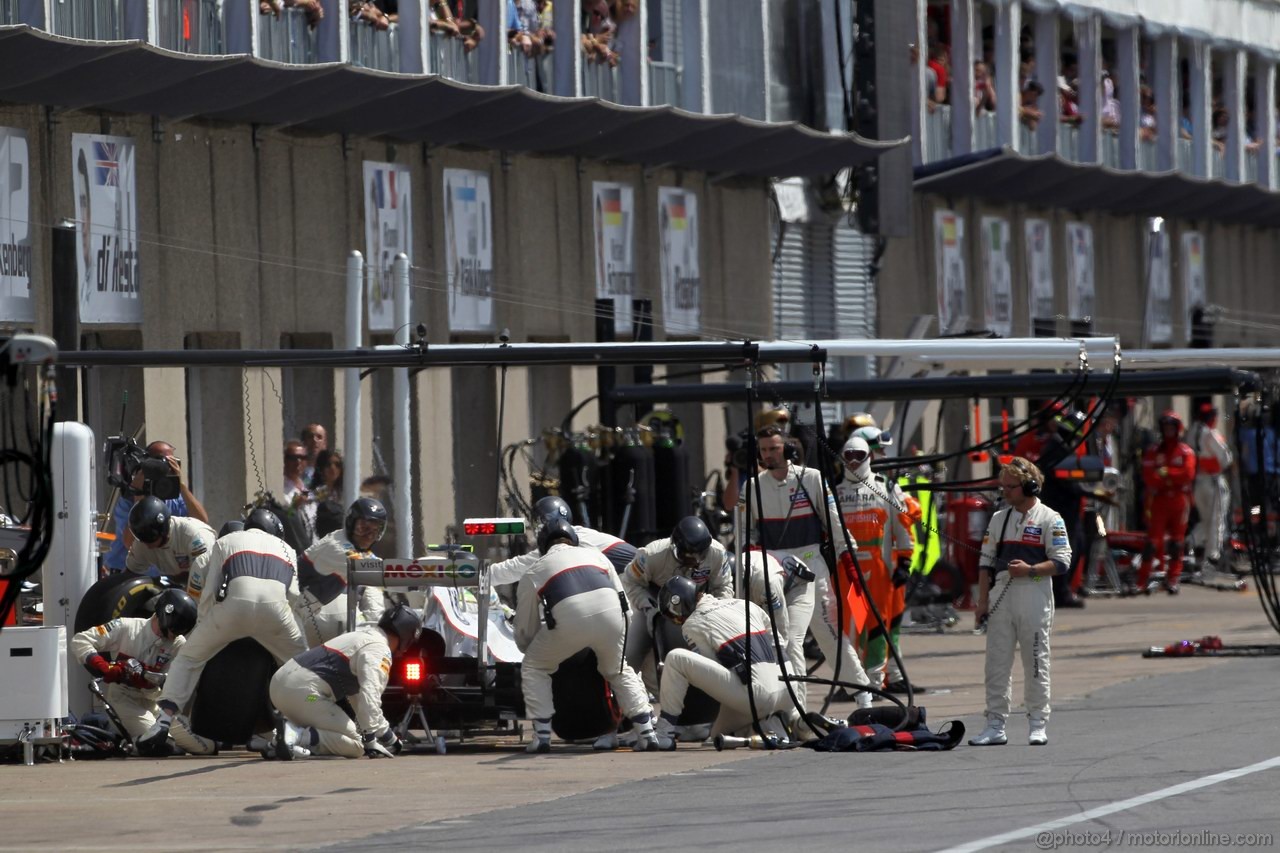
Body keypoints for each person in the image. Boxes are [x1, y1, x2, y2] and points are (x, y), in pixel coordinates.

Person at [136, 513, 306, 754]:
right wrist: (289, 636)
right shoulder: (287, 548)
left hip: (233, 609)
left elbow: (209, 593)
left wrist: (206, 632)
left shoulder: (225, 542)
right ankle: (297, 730)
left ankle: (163, 721)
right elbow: (294, 597)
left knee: (188, 659)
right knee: (303, 668)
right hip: (277, 611)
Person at [739, 424, 870, 712]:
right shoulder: (752, 487)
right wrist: (750, 552)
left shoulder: (811, 479)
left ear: (786, 448)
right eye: (763, 450)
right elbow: (744, 532)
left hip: (812, 565)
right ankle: (795, 706)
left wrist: (846, 556)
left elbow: (834, 519)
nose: (769, 454)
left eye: (774, 448)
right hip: (773, 568)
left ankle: (863, 695)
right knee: (786, 638)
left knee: (831, 634)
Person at [515, 519, 658, 753]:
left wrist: (529, 648)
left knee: (534, 666)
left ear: (543, 545)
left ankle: (541, 737)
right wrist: (620, 638)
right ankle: (646, 732)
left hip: (571, 621)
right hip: (614, 617)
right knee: (618, 670)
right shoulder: (597, 556)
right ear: (573, 539)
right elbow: (623, 600)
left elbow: (525, 628)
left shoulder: (534, 570)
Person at [970, 457, 1071, 747]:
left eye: (1011, 487)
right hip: (1002, 593)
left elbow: (1063, 562)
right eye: (1002, 486)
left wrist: (1030, 570)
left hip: (1034, 592)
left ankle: (1038, 721)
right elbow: (985, 563)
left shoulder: (1051, 518)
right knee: (996, 663)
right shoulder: (999, 519)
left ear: (1029, 486)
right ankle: (995, 725)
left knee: (1036, 660)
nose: (1005, 492)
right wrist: (981, 602)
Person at [651, 576, 791, 749]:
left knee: (675, 659)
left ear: (680, 604)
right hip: (788, 691)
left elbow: (716, 668)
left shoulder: (692, 624)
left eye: (675, 617)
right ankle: (777, 722)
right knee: (717, 736)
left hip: (757, 696)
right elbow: (778, 643)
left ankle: (664, 733)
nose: (678, 622)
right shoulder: (744, 604)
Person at [266, 603, 421, 760]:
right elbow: (370, 697)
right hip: (306, 695)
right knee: (356, 745)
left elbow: (361, 703)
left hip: (285, 689)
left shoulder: (361, 637)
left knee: (335, 720)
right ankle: (296, 736)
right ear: (406, 637)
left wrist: (390, 738)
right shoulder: (379, 649)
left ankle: (280, 741)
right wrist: (369, 738)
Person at [70, 589, 215, 755]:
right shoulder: (126, 627)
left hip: (155, 704)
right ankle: (119, 739)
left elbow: (171, 684)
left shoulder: (178, 644)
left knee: (206, 747)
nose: (174, 636)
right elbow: (81, 640)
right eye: (174, 631)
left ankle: (120, 736)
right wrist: (103, 666)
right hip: (123, 699)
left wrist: (147, 679)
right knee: (162, 744)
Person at [836, 436, 916, 700]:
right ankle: (853, 683)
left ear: (869, 456)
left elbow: (902, 527)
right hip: (849, 572)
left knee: (878, 626)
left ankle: (874, 683)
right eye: (849, 456)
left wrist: (904, 562)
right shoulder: (834, 492)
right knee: (851, 627)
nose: (854, 461)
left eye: (859, 455)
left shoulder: (886, 487)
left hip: (880, 571)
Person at [620, 516, 734, 678]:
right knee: (629, 655)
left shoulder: (717, 553)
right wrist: (648, 607)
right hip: (656, 603)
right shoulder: (652, 554)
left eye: (701, 555)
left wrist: (716, 611)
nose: (696, 561)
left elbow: (723, 586)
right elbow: (630, 581)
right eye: (690, 556)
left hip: (697, 605)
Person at [294, 498, 389, 647]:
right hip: (296, 614)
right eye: (363, 528)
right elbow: (364, 566)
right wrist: (417, 572)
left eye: (376, 530)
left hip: (306, 615)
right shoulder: (336, 545)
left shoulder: (360, 552)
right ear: (351, 524)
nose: (369, 536)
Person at [103, 440, 210, 573]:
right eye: (160, 463)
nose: (165, 469)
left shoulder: (174, 496)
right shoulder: (128, 500)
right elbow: (130, 543)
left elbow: (202, 523)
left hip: (162, 576)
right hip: (127, 572)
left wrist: (181, 485)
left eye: (171, 463)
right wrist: (139, 495)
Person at [488, 496, 639, 586]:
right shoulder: (585, 535)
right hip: (643, 582)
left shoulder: (563, 544)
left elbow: (512, 569)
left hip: (638, 587)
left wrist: (473, 577)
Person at [1137, 411, 1196, 594]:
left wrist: (1166, 473)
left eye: (1172, 427)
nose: (1169, 431)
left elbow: (1188, 475)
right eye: (1166, 428)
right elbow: (1149, 477)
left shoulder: (1186, 451)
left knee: (1177, 543)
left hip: (1180, 501)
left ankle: (1173, 579)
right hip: (1158, 500)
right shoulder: (1153, 451)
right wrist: (1171, 476)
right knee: (1151, 542)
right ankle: (1142, 580)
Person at [124, 496, 218, 581]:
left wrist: (165, 582)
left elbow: (204, 576)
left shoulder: (194, 537)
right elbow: (129, 575)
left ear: (163, 529)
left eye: (151, 539)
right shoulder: (143, 543)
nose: (148, 546)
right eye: (143, 540)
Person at [1187, 403, 1233, 572]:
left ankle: (1190, 543)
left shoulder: (1191, 432)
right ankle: (1213, 556)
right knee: (1216, 520)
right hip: (1213, 481)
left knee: (1206, 520)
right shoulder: (1211, 433)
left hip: (1198, 482)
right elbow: (1226, 457)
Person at [309, 449, 346, 539]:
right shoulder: (314, 493)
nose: (333, 468)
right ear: (321, 468)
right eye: (328, 465)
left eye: (337, 465)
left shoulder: (345, 494)